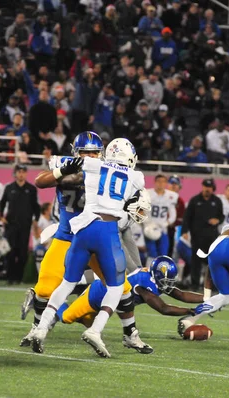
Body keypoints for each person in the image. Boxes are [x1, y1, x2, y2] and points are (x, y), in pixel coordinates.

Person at [30, 137, 145, 358]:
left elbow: (85, 169)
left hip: (82, 229)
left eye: (94, 153)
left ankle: (130, 333)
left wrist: (68, 172)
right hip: (86, 233)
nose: (90, 156)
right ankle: (94, 330)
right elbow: (42, 180)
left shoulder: (92, 165)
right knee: (116, 286)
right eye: (85, 152)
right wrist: (61, 172)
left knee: (70, 283)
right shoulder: (133, 176)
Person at [57, 256, 203, 338]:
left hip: (110, 302)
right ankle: (55, 302)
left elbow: (181, 294)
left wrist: (209, 298)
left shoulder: (155, 280)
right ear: (156, 276)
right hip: (98, 294)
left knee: (88, 322)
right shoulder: (143, 284)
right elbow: (163, 308)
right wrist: (189, 311)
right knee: (66, 317)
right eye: (166, 281)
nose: (168, 285)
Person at [0, 164, 40, 285]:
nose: (21, 174)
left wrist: (35, 220)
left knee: (22, 253)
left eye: (23, 172)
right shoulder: (9, 188)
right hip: (11, 225)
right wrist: (1, 217)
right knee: (10, 252)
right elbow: (2, 203)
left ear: (26, 174)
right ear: (15, 173)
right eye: (19, 172)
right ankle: (10, 277)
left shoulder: (31, 189)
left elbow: (36, 206)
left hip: (25, 225)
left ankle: (19, 277)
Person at [181, 178, 224, 291]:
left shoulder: (217, 201)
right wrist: (184, 231)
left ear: (212, 188)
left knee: (213, 260)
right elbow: (187, 217)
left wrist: (217, 220)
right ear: (202, 187)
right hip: (197, 236)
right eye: (205, 186)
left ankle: (213, 285)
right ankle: (195, 284)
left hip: (212, 236)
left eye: (209, 187)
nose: (207, 189)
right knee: (196, 261)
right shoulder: (195, 200)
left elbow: (221, 216)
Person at [146, 175, 178, 259]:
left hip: (163, 229)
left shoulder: (171, 196)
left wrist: (166, 223)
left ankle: (161, 272)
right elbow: (142, 211)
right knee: (151, 255)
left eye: (163, 182)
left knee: (163, 255)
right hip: (149, 228)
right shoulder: (147, 194)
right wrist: (147, 223)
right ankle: (149, 271)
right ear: (155, 182)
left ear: (166, 183)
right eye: (159, 181)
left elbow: (173, 214)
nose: (161, 184)